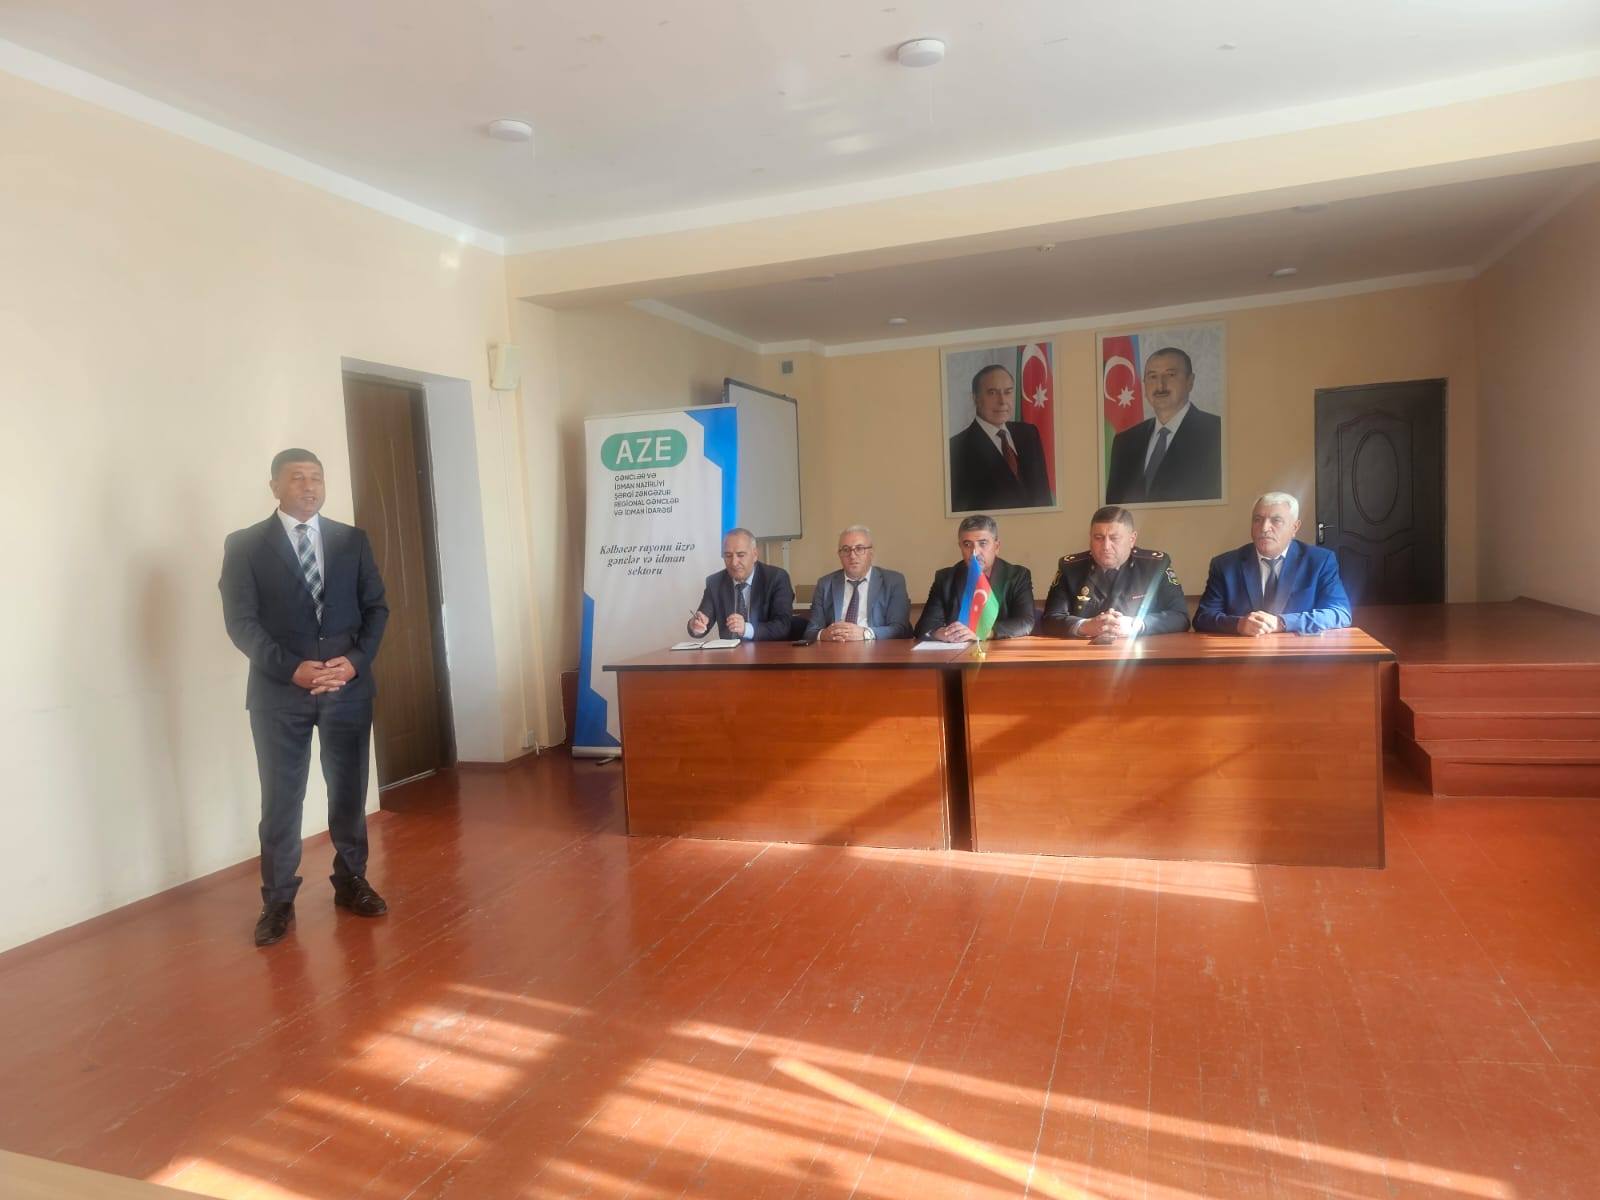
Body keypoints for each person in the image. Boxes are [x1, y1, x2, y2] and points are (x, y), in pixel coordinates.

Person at [219, 449, 390, 947]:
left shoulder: (351, 540)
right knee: (281, 798)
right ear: (274, 485)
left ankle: (351, 880)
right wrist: (289, 668)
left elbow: (376, 609)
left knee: (348, 792)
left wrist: (354, 662)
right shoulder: (245, 545)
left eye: (317, 477)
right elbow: (241, 621)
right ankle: (277, 899)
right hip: (279, 694)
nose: (309, 486)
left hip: (347, 689)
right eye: (297, 478)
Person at [1194, 492, 1352, 635]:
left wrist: (1282, 622)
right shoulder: (1225, 565)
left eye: (1276, 520)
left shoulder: (1319, 561)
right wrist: (1238, 624)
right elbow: (1203, 617)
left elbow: (1339, 613)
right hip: (1243, 652)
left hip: (1299, 653)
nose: (1264, 528)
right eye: (1257, 520)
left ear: (1295, 527)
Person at [1041, 506, 1189, 638]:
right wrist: (1084, 626)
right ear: (1090, 538)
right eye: (1098, 538)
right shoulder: (1071, 568)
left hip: (1142, 653)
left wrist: (1135, 625)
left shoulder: (1154, 566)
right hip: (1085, 654)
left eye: (1114, 538)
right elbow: (1050, 619)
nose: (1106, 546)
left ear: (1132, 539)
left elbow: (1180, 617)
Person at [1104, 347, 1222, 504]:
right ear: (1144, 385)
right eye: (1152, 377)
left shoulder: (1216, 432)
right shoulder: (1124, 442)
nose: (1160, 385)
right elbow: (1114, 508)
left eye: (1170, 375)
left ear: (1190, 381)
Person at [948, 364, 1054, 512]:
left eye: (1008, 392)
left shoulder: (1029, 433)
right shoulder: (955, 449)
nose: (1002, 401)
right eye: (992, 393)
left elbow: (1044, 497)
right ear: (975, 398)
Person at [915, 514, 1036, 641]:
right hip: (958, 650)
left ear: (997, 547)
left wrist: (983, 633)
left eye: (982, 543)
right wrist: (942, 633)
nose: (975, 552)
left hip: (999, 650)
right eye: (967, 544)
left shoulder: (1017, 576)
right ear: (960, 547)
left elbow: (1025, 623)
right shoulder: (945, 579)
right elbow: (924, 627)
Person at [803, 524, 912, 642]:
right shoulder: (825, 584)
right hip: (836, 647)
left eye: (859, 548)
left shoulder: (893, 581)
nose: (852, 556)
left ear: (871, 552)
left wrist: (865, 633)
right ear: (839, 555)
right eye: (846, 549)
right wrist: (824, 634)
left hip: (876, 647)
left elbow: (900, 629)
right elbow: (810, 632)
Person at [688, 527, 795, 641]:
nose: (734, 563)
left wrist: (746, 629)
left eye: (740, 555)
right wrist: (695, 625)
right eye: (728, 555)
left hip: (767, 649)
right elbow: (702, 620)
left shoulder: (776, 578)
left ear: (755, 554)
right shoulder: (715, 582)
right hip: (730, 651)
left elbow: (783, 625)